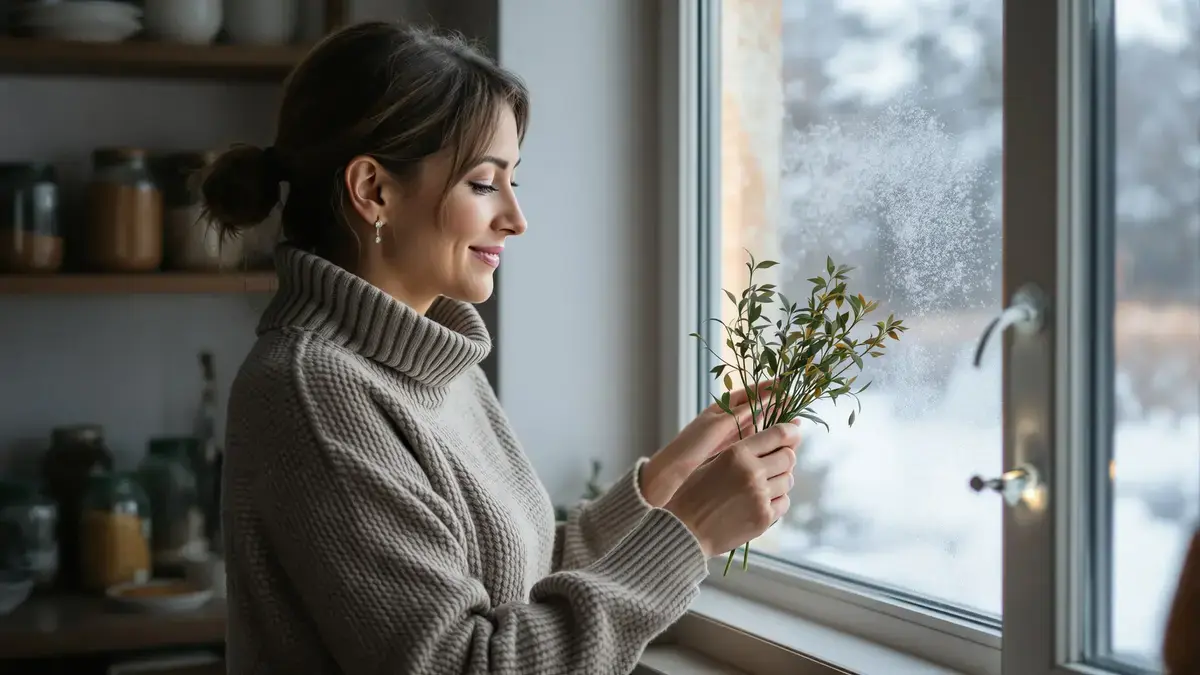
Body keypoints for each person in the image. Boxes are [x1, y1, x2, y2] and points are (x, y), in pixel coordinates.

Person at [201, 21, 799, 675]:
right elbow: (468, 663)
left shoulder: (437, 362)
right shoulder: (310, 390)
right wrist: (689, 535)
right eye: (485, 183)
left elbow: (515, 585)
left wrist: (659, 491)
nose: (516, 217)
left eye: (514, 181)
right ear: (373, 190)